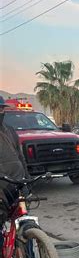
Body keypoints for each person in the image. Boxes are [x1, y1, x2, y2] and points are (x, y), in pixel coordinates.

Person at [0, 96, 29, 225]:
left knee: (23, 221)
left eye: (1, 109)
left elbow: (20, 156)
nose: (0, 112)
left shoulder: (10, 130)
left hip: (16, 182)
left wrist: (27, 178)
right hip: (1, 187)